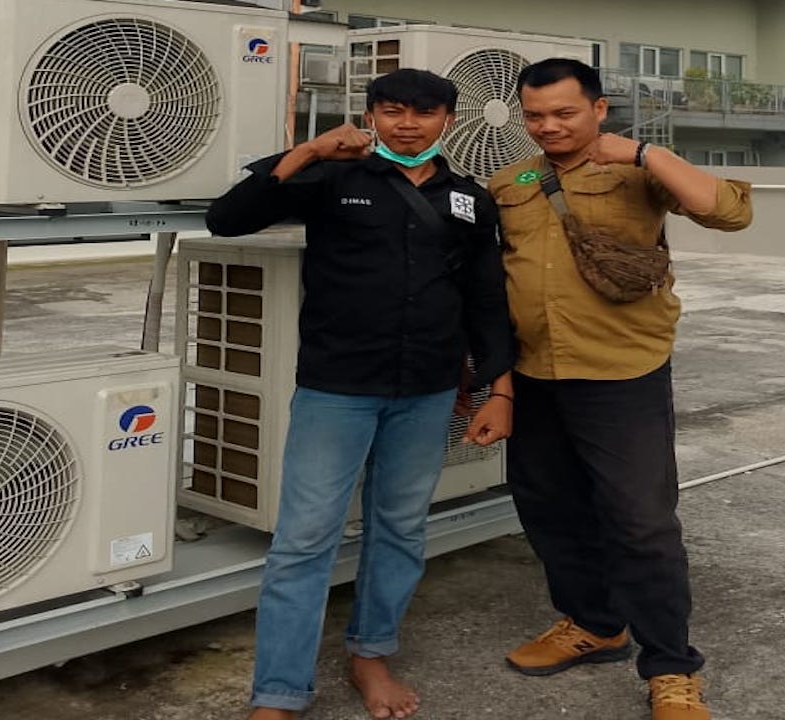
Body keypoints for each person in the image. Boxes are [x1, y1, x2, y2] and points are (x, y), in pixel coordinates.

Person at [206, 68, 515, 720]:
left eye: (424, 113)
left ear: (448, 120)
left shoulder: (469, 199)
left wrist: (500, 389)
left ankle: (370, 654)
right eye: (393, 111)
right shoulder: (331, 176)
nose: (409, 124)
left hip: (427, 391)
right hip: (336, 389)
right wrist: (311, 149)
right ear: (370, 115)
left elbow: (487, 301)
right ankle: (278, 692)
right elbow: (227, 219)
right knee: (304, 539)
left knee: (400, 528)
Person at [487, 58, 752, 720]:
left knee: (641, 522)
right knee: (549, 508)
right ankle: (595, 623)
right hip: (535, 372)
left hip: (621, 373)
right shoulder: (511, 182)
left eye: (564, 113)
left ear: (599, 108)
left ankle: (672, 668)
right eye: (535, 115)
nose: (549, 126)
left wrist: (644, 152)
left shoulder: (639, 170)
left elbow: (728, 211)